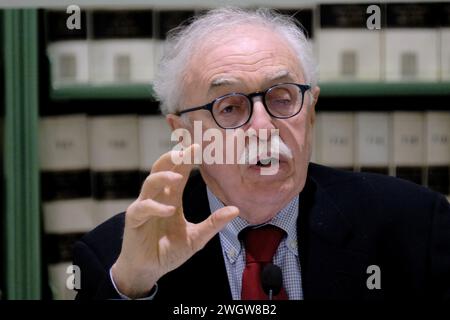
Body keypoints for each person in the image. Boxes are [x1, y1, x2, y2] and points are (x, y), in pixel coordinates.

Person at [73, 7, 450, 300]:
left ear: (311, 112)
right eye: (230, 107)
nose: (263, 127)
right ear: (183, 133)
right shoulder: (116, 261)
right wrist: (135, 286)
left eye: (282, 98)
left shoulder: (413, 225)